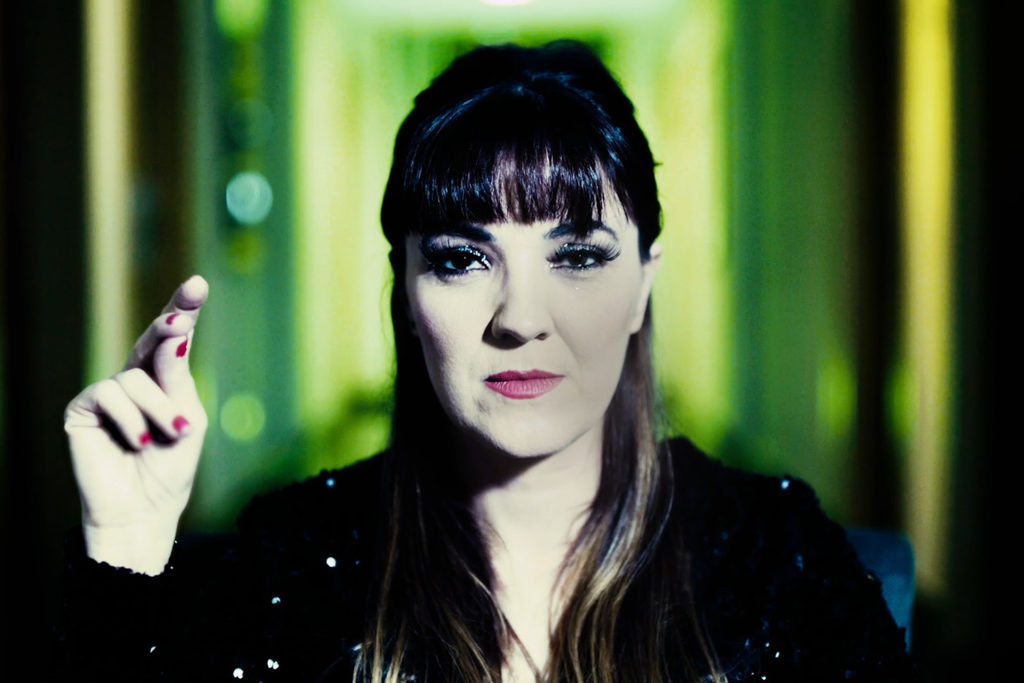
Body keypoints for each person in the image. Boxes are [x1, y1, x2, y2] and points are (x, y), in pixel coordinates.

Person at [57, 41, 917, 682]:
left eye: (577, 255)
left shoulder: (776, 563)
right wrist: (127, 547)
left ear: (642, 287)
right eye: (463, 259)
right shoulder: (289, 564)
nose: (521, 319)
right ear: (405, 290)